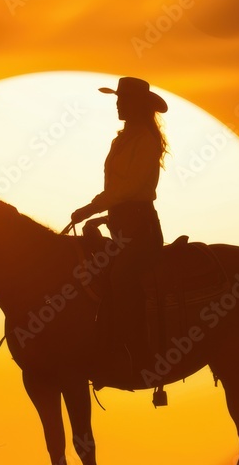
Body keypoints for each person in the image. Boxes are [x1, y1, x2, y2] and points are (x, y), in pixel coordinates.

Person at [70, 76, 168, 373]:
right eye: (117, 99)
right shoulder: (122, 139)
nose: (117, 104)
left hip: (140, 229)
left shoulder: (146, 141)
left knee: (122, 277)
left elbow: (128, 188)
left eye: (122, 100)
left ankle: (139, 352)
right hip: (121, 223)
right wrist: (103, 214)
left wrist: (92, 207)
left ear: (137, 105)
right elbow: (121, 190)